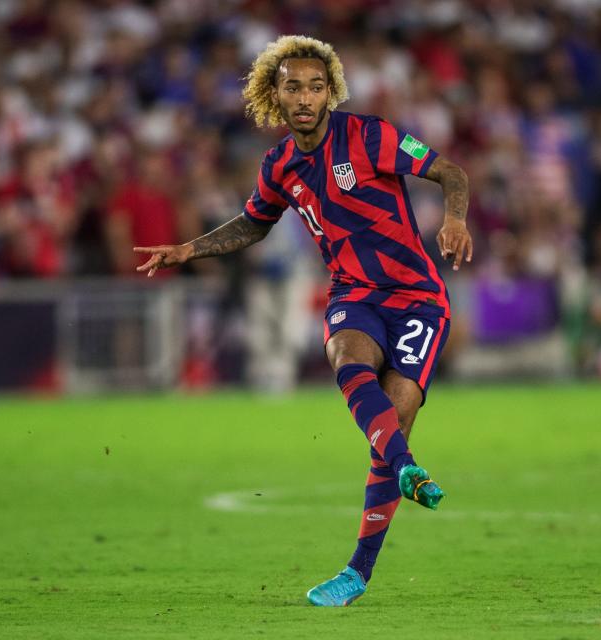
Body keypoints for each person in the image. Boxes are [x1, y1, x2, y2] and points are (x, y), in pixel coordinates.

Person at [132, 36, 473, 607]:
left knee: (397, 413)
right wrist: (189, 250)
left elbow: (452, 173)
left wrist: (456, 220)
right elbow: (252, 224)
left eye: (317, 86)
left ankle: (358, 568)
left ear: (331, 92)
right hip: (354, 293)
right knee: (346, 356)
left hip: (417, 297)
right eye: (294, 86)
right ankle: (407, 473)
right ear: (276, 94)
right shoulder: (280, 166)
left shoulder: (371, 135)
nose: (307, 97)